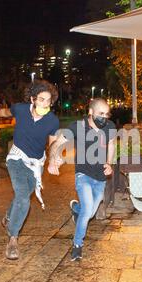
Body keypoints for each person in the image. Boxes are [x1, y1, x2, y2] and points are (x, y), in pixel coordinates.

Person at [0, 79, 60, 260]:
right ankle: (13, 239)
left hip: (36, 164)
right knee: (23, 197)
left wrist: (53, 160)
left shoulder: (52, 121)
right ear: (32, 99)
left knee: (21, 196)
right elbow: (5, 111)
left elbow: (53, 143)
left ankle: (9, 217)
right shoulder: (21, 109)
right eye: (41, 99)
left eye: (48, 101)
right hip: (16, 158)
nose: (45, 104)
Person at [48, 98, 117, 261]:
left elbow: (112, 144)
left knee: (90, 213)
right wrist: (53, 160)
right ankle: (77, 245)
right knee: (88, 211)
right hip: (83, 175)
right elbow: (58, 143)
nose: (104, 117)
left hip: (100, 177)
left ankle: (76, 209)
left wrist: (109, 162)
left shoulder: (110, 127)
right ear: (91, 112)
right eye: (101, 113)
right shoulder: (77, 127)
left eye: (107, 114)